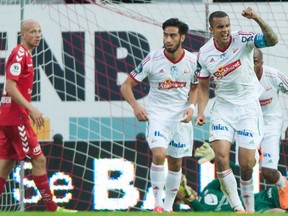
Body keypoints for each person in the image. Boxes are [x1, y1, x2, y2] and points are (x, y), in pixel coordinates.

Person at [195, 7, 278, 213]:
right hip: (223, 108)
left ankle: (248, 208)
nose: (225, 30)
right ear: (211, 29)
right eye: (220, 27)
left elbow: (273, 40)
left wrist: (257, 18)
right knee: (221, 156)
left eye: (227, 26)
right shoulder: (204, 54)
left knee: (246, 164)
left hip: (248, 107)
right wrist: (200, 111)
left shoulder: (243, 39)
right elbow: (203, 87)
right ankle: (238, 208)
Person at [120, 18, 198, 212]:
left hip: (180, 117)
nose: (168, 39)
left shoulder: (193, 61)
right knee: (159, 154)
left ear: (182, 37)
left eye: (173, 35)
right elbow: (126, 86)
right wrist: (136, 106)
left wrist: (192, 107)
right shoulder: (153, 59)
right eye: (165, 35)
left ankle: (169, 206)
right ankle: (157, 204)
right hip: (158, 115)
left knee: (176, 162)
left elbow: (196, 87)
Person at [0, 19, 77, 212]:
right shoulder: (19, 54)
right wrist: (32, 109)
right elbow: (10, 86)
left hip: (7, 116)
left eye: (39, 31)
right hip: (16, 117)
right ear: (23, 35)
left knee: (6, 163)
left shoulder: (25, 54)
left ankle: (51, 207)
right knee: (39, 159)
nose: (37, 35)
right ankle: (52, 207)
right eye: (33, 31)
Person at [175, 143, 287, 213]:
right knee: (277, 212)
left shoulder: (208, 190)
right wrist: (189, 198)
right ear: (179, 200)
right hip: (257, 211)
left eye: (184, 184)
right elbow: (203, 212)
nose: (187, 187)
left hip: (265, 196)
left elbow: (232, 171)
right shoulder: (197, 211)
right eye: (183, 187)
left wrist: (216, 159)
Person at [253, 48, 288, 209]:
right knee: (245, 165)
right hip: (250, 123)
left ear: (261, 62)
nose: (252, 65)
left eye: (255, 61)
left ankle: (283, 185)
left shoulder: (273, 76)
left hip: (272, 123)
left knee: (267, 172)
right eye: (249, 61)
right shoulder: (238, 76)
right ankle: (244, 208)